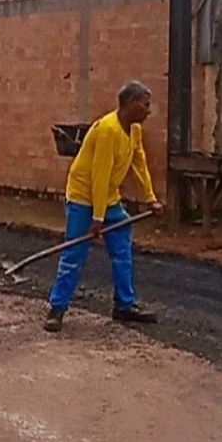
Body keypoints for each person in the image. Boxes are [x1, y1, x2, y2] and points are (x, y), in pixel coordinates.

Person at [43, 81, 166, 333]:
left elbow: (139, 164)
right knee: (74, 253)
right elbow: (99, 176)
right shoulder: (108, 130)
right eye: (145, 105)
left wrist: (150, 198)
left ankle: (124, 305)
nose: (148, 111)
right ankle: (57, 309)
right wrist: (97, 219)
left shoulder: (134, 130)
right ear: (131, 104)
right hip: (82, 196)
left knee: (122, 249)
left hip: (108, 197)